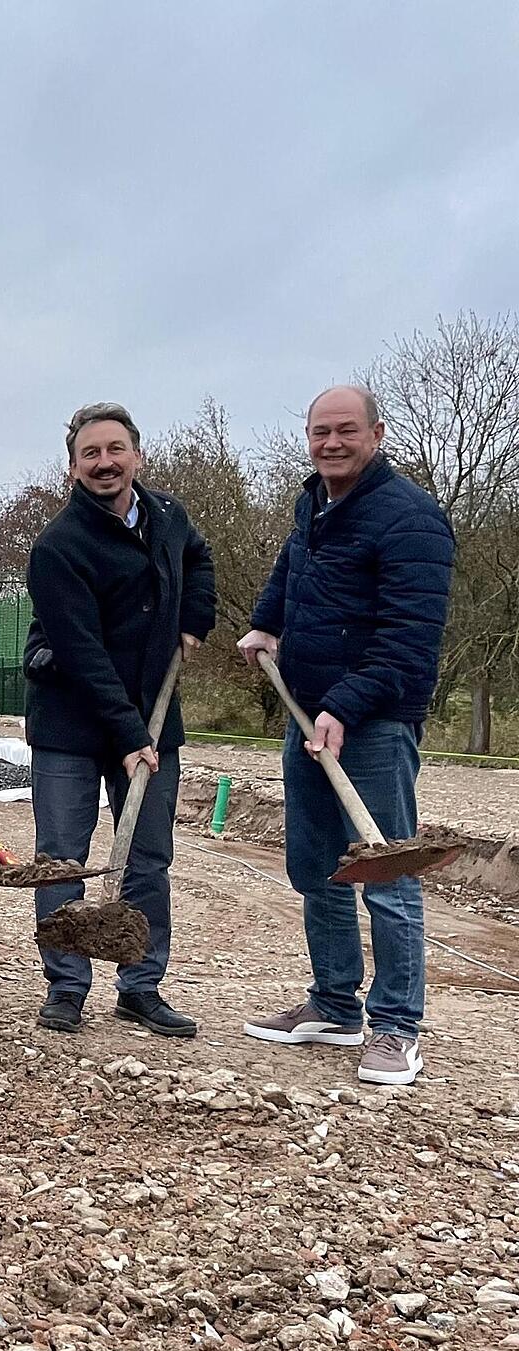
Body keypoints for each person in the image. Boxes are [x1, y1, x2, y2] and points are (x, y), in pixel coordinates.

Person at [238, 385, 455, 1086]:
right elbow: (292, 569)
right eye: (319, 432)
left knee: (385, 872)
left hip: (373, 723)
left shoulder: (411, 520)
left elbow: (408, 642)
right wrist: (268, 621)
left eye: (345, 431)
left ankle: (397, 1025)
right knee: (319, 866)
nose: (331, 443)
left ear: (377, 433)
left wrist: (347, 705)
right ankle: (335, 1005)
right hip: (308, 712)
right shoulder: (314, 504)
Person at [25, 402, 215, 1038]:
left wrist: (196, 619)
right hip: (72, 728)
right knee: (63, 860)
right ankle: (67, 986)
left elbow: (199, 557)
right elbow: (80, 654)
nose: (104, 462)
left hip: (153, 721)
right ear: (74, 466)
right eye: (90, 454)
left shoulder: (167, 517)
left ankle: (139, 985)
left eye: (115, 450)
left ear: (136, 453)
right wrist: (131, 736)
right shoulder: (58, 547)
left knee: (147, 857)